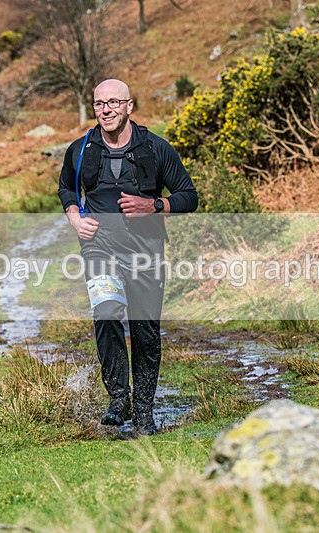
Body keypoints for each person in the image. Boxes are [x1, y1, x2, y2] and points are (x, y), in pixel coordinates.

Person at [58, 79, 198, 435]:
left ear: (129, 106)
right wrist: (75, 216)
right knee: (105, 311)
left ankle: (145, 410)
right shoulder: (81, 149)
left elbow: (188, 195)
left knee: (146, 329)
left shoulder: (155, 148)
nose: (106, 109)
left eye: (113, 103)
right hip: (99, 246)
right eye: (99, 103)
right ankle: (118, 397)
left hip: (146, 249)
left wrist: (154, 205)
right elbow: (65, 187)